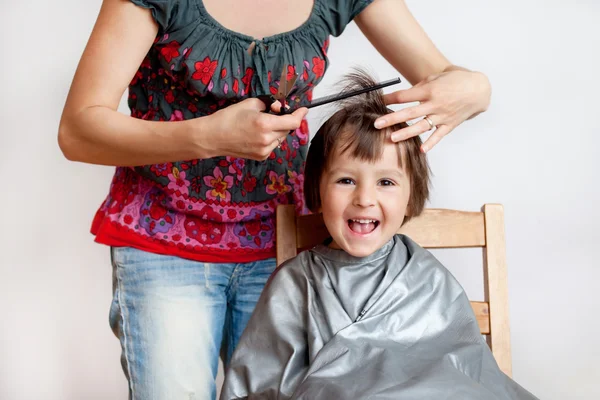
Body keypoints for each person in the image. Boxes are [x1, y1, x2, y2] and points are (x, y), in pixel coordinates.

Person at [57, 1, 491, 399]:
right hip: (165, 239)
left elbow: (449, 81)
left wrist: (474, 89)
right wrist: (208, 136)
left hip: (284, 249)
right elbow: (77, 132)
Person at [220, 70, 537, 400]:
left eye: (386, 182)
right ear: (317, 190)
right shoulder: (297, 284)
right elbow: (257, 386)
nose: (365, 198)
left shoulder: (427, 277)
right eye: (346, 180)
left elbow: (470, 371)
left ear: (410, 194)